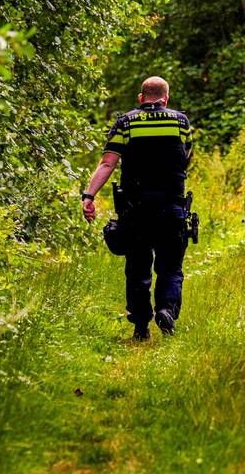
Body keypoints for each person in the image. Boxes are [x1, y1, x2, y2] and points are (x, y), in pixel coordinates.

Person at [82, 76, 194, 341]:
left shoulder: (125, 122)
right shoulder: (180, 121)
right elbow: (186, 157)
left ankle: (141, 328)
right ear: (166, 99)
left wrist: (89, 196)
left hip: (136, 210)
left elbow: (107, 163)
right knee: (170, 268)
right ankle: (166, 308)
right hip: (171, 208)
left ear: (141, 98)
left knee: (138, 269)